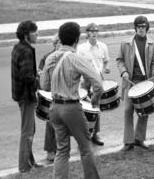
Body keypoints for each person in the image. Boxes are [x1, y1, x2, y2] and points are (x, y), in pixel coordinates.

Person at [41, 22, 103, 179]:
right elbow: (98, 83)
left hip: (54, 108)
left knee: (62, 150)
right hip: (71, 108)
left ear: (60, 38)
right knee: (85, 147)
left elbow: (44, 86)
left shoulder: (50, 58)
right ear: (77, 39)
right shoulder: (76, 59)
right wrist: (95, 100)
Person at [116, 15, 154, 151]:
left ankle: (139, 139)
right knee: (128, 110)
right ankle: (128, 142)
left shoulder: (153, 44)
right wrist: (123, 72)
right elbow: (119, 60)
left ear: (147, 28)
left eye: (143, 26)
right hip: (131, 82)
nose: (141, 29)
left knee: (145, 111)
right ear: (135, 28)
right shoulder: (126, 44)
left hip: (146, 81)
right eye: (139, 26)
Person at [11, 20, 43, 173]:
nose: (37, 33)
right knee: (27, 131)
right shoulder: (26, 51)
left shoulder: (18, 47)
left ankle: (30, 162)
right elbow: (26, 75)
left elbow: (24, 71)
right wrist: (38, 80)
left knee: (30, 129)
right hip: (26, 96)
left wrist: (34, 75)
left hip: (21, 95)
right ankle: (24, 167)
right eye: (34, 31)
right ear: (26, 35)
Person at [77, 23, 111, 146]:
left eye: (96, 31)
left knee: (96, 109)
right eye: (92, 31)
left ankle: (95, 134)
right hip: (85, 82)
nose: (95, 33)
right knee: (84, 110)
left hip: (98, 81)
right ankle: (84, 135)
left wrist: (106, 68)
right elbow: (78, 65)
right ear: (87, 33)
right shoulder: (81, 48)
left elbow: (107, 61)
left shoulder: (103, 46)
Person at [38, 33, 60, 163]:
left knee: (61, 125)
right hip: (50, 94)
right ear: (55, 44)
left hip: (62, 94)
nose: (61, 45)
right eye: (59, 43)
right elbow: (41, 75)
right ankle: (50, 151)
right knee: (50, 124)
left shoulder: (65, 56)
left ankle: (59, 150)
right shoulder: (47, 57)